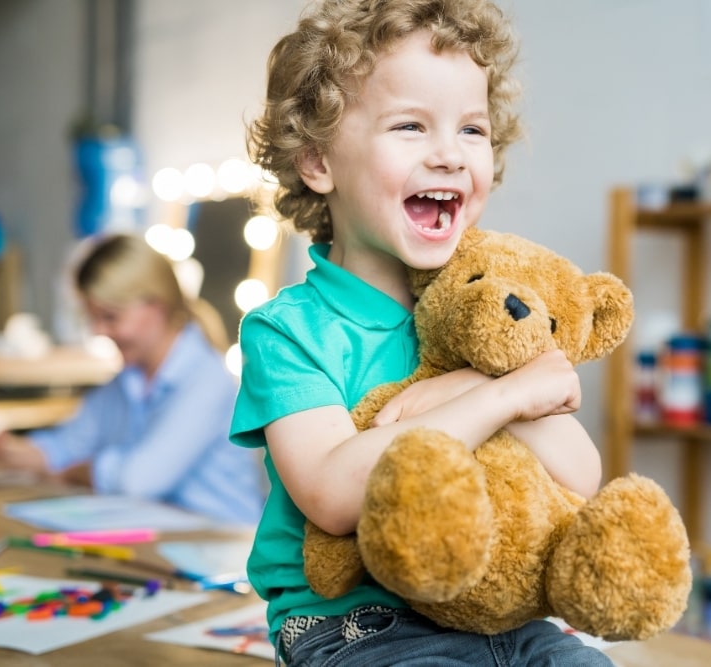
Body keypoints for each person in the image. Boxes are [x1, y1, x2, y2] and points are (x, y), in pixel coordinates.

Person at [230, 0, 615, 665]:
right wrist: (496, 397)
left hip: (504, 617)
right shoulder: (287, 330)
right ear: (318, 160)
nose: (449, 155)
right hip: (359, 626)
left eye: (472, 129)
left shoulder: (488, 308)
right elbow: (332, 493)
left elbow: (582, 475)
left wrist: (478, 382)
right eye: (410, 125)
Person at [0, 234, 265, 525]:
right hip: (162, 541)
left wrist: (79, 471)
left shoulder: (208, 379)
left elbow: (138, 481)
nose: (99, 332)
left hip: (227, 550)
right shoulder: (126, 380)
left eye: (110, 317)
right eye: (93, 319)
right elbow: (68, 443)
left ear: (156, 305)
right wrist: (7, 449)